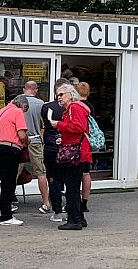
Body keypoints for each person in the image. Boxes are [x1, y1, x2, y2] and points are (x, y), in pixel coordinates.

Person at [50, 83, 92, 231]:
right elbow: (77, 129)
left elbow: (79, 127)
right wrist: (64, 138)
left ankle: (74, 220)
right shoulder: (74, 108)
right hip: (77, 149)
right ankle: (79, 218)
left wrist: (59, 125)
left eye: (61, 94)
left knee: (72, 188)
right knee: (72, 186)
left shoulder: (75, 107)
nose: (58, 98)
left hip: (77, 153)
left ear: (70, 94)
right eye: (57, 95)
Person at [0, 94, 29, 226]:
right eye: (25, 110)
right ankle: (6, 216)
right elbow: (22, 134)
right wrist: (27, 141)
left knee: (5, 182)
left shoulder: (1, 111)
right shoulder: (17, 112)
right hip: (11, 149)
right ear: (23, 105)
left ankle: (5, 212)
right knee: (9, 183)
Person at [20, 80, 51, 214]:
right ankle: (46, 202)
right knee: (41, 172)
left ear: (24, 89)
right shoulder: (41, 104)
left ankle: (8, 200)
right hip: (36, 140)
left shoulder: (15, 102)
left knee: (14, 171)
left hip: (19, 140)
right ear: (36, 90)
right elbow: (45, 124)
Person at [41, 78, 69, 222]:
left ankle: (57, 211)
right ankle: (70, 209)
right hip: (68, 147)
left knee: (53, 180)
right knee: (70, 180)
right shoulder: (71, 108)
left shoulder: (47, 107)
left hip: (52, 146)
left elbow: (45, 124)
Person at [76, 82, 94, 212]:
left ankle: (76, 200)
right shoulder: (91, 107)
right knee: (86, 173)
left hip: (78, 144)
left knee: (76, 175)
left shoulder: (76, 106)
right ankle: (85, 202)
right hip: (87, 143)